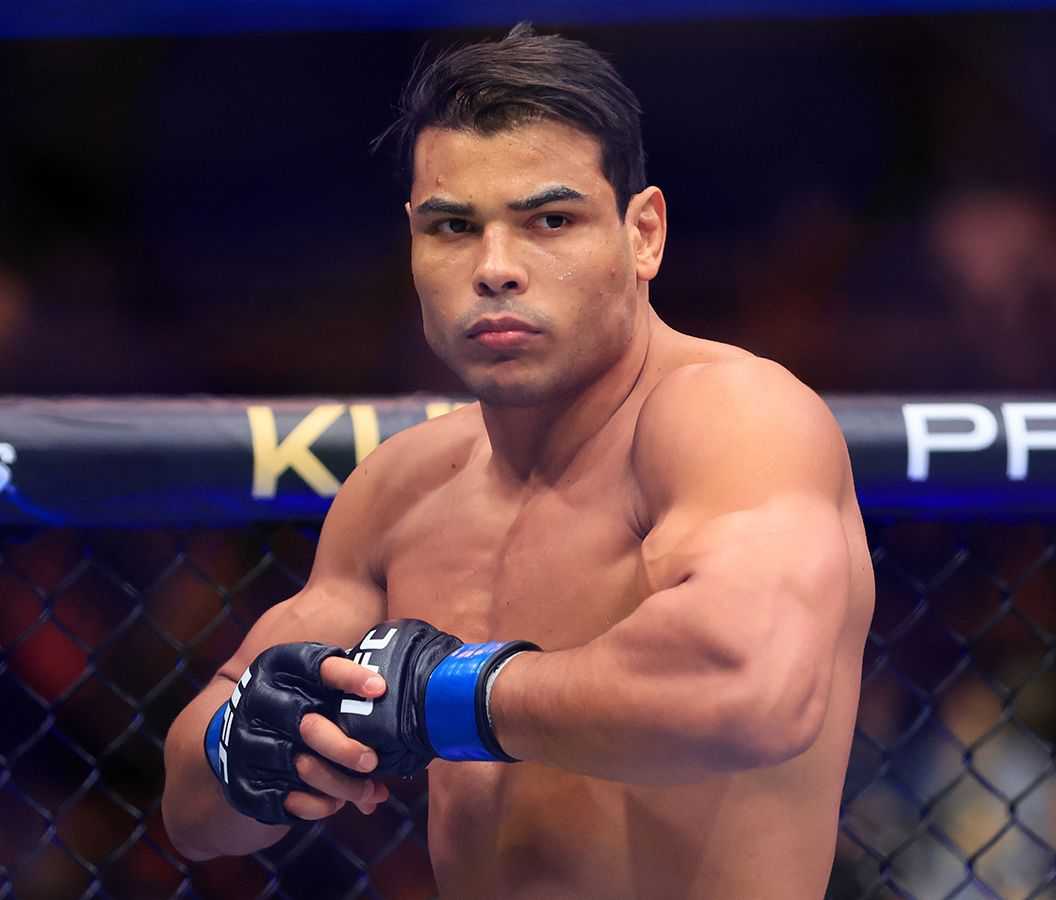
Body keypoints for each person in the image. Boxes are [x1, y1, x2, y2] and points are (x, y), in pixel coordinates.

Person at [161, 23, 875, 899]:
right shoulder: (402, 489)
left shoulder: (731, 416)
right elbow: (193, 816)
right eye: (454, 227)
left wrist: (451, 696)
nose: (495, 268)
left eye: (550, 221)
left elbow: (754, 690)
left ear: (643, 234)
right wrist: (248, 744)